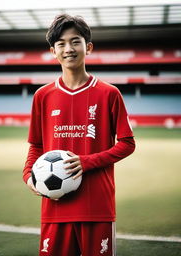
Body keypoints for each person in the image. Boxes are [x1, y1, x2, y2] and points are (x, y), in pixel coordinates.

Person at [23, 14, 135, 256]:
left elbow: (127, 144)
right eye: (61, 44)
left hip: (97, 206)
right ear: (53, 51)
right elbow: (36, 145)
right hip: (55, 206)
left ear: (89, 47)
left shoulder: (109, 94)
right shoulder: (42, 96)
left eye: (75, 41)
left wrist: (86, 162)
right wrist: (28, 176)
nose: (68, 49)